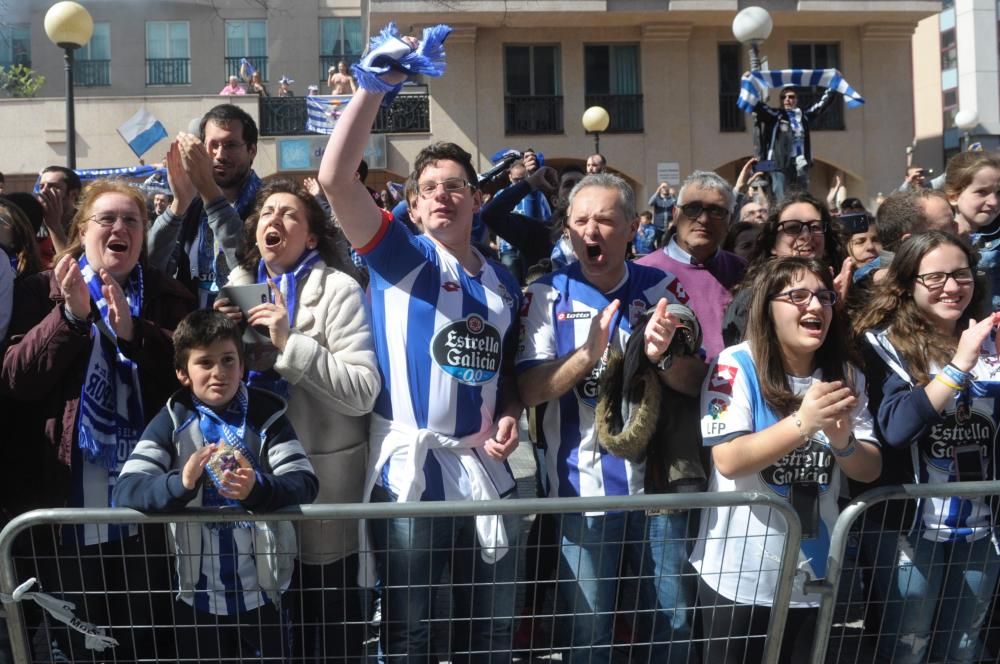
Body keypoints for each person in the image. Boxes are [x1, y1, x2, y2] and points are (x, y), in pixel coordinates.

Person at [317, 44, 524, 662]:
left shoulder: (503, 280)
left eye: (455, 186)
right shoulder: (404, 258)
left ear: (476, 198)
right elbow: (334, 179)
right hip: (412, 477)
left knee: (490, 628)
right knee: (413, 633)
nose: (442, 195)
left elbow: (502, 368)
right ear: (411, 202)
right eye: (428, 187)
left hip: (485, 470)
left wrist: (511, 409)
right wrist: (375, 88)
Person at [1, 179, 195, 661]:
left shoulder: (169, 295)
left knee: (143, 638)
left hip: (144, 502)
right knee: (81, 638)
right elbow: (15, 380)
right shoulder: (40, 289)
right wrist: (69, 317)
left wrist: (135, 333)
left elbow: (190, 380)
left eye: (131, 220)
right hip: (66, 501)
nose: (119, 229)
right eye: (106, 219)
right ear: (81, 231)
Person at [517, 172, 706, 664]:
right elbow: (530, 389)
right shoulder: (545, 294)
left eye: (604, 219)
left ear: (632, 228)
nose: (591, 230)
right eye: (580, 220)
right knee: (589, 632)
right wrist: (586, 355)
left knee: (671, 626)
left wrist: (665, 357)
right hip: (579, 496)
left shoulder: (663, 289)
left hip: (657, 495)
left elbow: (695, 382)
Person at [216, 178, 380, 662]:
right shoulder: (239, 289)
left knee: (329, 631)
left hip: (324, 492)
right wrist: (226, 337)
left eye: (290, 213)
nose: (275, 220)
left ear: (311, 236)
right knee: (272, 634)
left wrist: (290, 343)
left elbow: (363, 392)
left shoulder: (339, 288)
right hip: (254, 489)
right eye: (267, 212)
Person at [695, 256, 881, 664]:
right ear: (767, 308)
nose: (815, 306)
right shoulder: (733, 366)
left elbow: (869, 469)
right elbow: (729, 459)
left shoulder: (847, 375)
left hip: (814, 570)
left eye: (823, 297)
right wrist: (804, 422)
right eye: (797, 296)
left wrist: (843, 442)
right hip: (740, 573)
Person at [112, 309, 317, 661]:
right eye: (204, 363)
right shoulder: (171, 419)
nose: (218, 373)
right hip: (196, 595)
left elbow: (304, 482)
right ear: (182, 373)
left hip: (266, 591)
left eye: (227, 360)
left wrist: (258, 489)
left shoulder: (268, 415)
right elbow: (126, 489)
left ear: (242, 365)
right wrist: (182, 482)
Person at [852, 231, 1000, 664]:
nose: (952, 287)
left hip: (981, 527)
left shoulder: (991, 338)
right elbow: (896, 428)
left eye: (961, 274)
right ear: (908, 284)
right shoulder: (882, 344)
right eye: (935, 277)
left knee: (964, 645)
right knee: (907, 645)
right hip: (911, 527)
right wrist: (958, 367)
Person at [148, 104, 262, 308]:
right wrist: (178, 205)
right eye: (213, 145)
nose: (220, 155)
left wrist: (209, 191)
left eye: (231, 145)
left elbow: (251, 266)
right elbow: (150, 264)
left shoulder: (268, 204)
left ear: (252, 150)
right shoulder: (191, 204)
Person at [639, 170, 747, 361]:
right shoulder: (642, 272)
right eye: (693, 209)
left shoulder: (744, 271)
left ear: (730, 220)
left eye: (716, 211)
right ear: (675, 213)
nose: (703, 219)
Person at [723, 191, 848, 347]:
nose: (806, 235)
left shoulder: (846, 289)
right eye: (793, 228)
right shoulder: (751, 299)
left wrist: (836, 310)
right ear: (773, 244)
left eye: (815, 227)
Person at [753, 84, 838, 200]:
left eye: (791, 97)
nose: (787, 100)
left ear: (796, 100)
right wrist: (748, 83)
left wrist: (834, 85)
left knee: (801, 197)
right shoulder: (776, 115)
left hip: (801, 163)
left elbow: (822, 105)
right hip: (778, 164)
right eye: (783, 97)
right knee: (781, 197)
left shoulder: (803, 115)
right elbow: (757, 106)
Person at [944, 151, 1000, 308]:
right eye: (982, 192)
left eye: (998, 193)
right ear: (954, 196)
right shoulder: (936, 234)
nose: (994, 202)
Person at [37, 165, 82, 265]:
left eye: (53, 186)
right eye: (41, 186)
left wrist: (54, 225)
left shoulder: (86, 223)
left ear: (73, 194)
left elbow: (74, 267)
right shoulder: (34, 220)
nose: (44, 191)